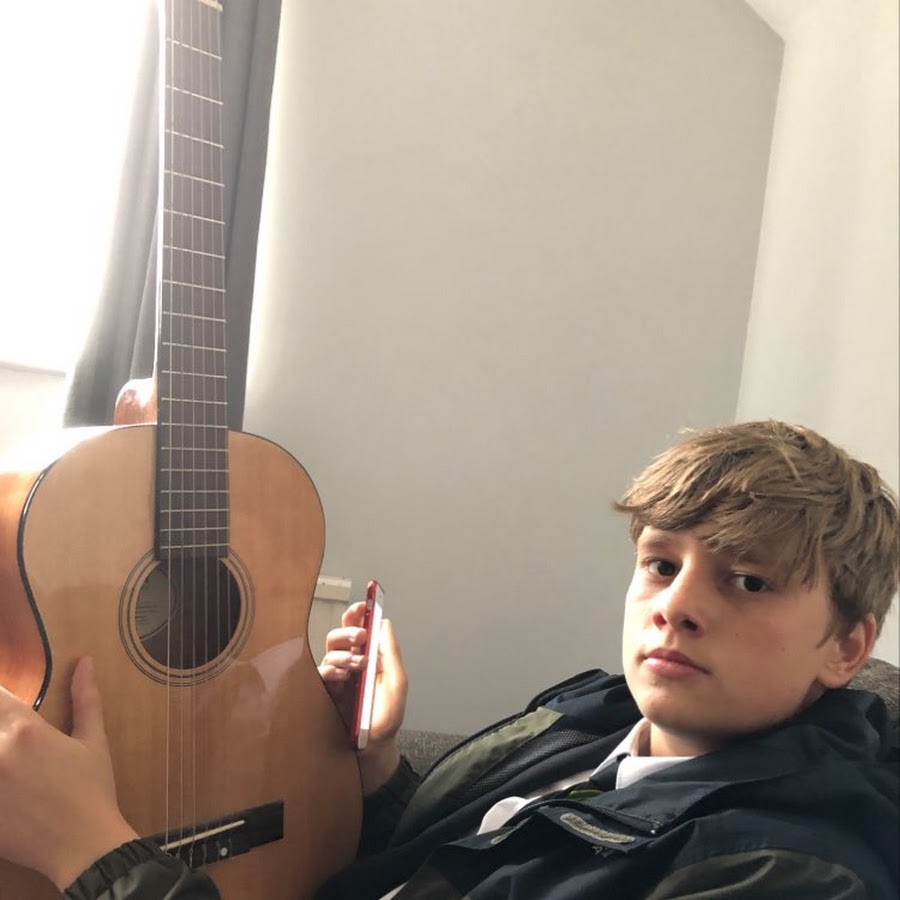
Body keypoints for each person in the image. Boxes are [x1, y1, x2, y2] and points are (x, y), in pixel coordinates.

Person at [0, 420, 897, 898]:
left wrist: (97, 854)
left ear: (847, 647)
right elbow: (462, 861)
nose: (676, 606)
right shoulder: (595, 720)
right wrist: (375, 768)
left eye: (748, 581)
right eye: (661, 564)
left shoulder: (785, 872)